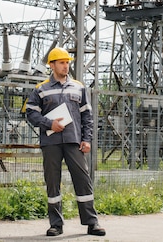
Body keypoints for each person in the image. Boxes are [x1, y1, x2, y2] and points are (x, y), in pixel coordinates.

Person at [26, 47, 106, 237]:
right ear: (52, 65)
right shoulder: (41, 89)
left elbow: (87, 115)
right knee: (53, 183)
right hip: (51, 142)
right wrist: (49, 123)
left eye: (67, 62)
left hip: (73, 141)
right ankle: (56, 224)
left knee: (83, 180)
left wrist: (87, 139)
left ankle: (91, 223)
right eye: (61, 62)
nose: (66, 66)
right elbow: (31, 113)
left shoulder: (79, 87)